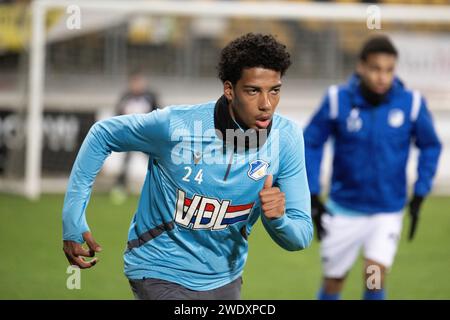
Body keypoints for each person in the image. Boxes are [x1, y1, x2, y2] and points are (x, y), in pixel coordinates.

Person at [62, 33, 313, 300]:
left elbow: (301, 236)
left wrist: (278, 220)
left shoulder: (286, 138)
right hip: (159, 269)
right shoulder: (176, 126)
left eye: (274, 91)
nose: (266, 104)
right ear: (229, 89)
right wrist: (72, 219)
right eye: (253, 91)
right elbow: (103, 134)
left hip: (225, 278)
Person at [304, 35, 442, 300]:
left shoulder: (410, 103)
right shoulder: (337, 100)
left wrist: (421, 191)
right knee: (334, 281)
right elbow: (311, 142)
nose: (382, 77)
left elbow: (430, 145)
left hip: (385, 211)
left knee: (374, 278)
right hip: (343, 209)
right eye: (376, 69)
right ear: (361, 67)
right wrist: (312, 193)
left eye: (389, 70)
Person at [110, 71, 159, 204]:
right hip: (129, 136)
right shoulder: (125, 97)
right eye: (135, 82)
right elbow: (118, 114)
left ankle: (158, 188)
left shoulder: (150, 97)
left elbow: (158, 115)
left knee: (154, 161)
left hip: (146, 137)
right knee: (125, 162)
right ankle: (120, 187)